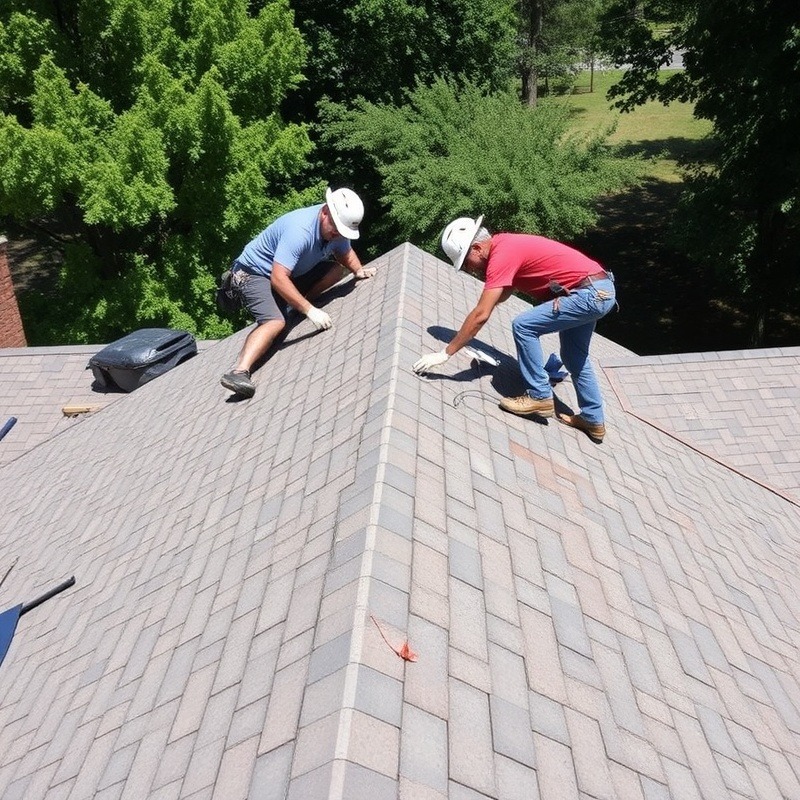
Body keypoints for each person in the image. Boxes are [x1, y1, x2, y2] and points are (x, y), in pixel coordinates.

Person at [412, 216, 616, 443]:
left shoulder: (502, 253)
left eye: (466, 262)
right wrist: (483, 311)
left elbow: (481, 314)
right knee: (574, 357)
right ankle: (593, 419)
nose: (469, 270)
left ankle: (539, 396)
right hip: (599, 289)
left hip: (588, 294)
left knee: (523, 325)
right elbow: (504, 292)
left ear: (477, 248)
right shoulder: (506, 246)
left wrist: (445, 353)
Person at [220, 187, 375, 398]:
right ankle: (238, 372)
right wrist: (311, 311)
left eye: (342, 232)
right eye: (336, 229)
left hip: (287, 273)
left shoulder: (336, 229)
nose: (337, 234)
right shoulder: (299, 230)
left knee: (335, 270)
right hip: (253, 274)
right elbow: (278, 277)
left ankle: (294, 306)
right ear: (325, 212)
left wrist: (359, 271)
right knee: (275, 322)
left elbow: (344, 252)